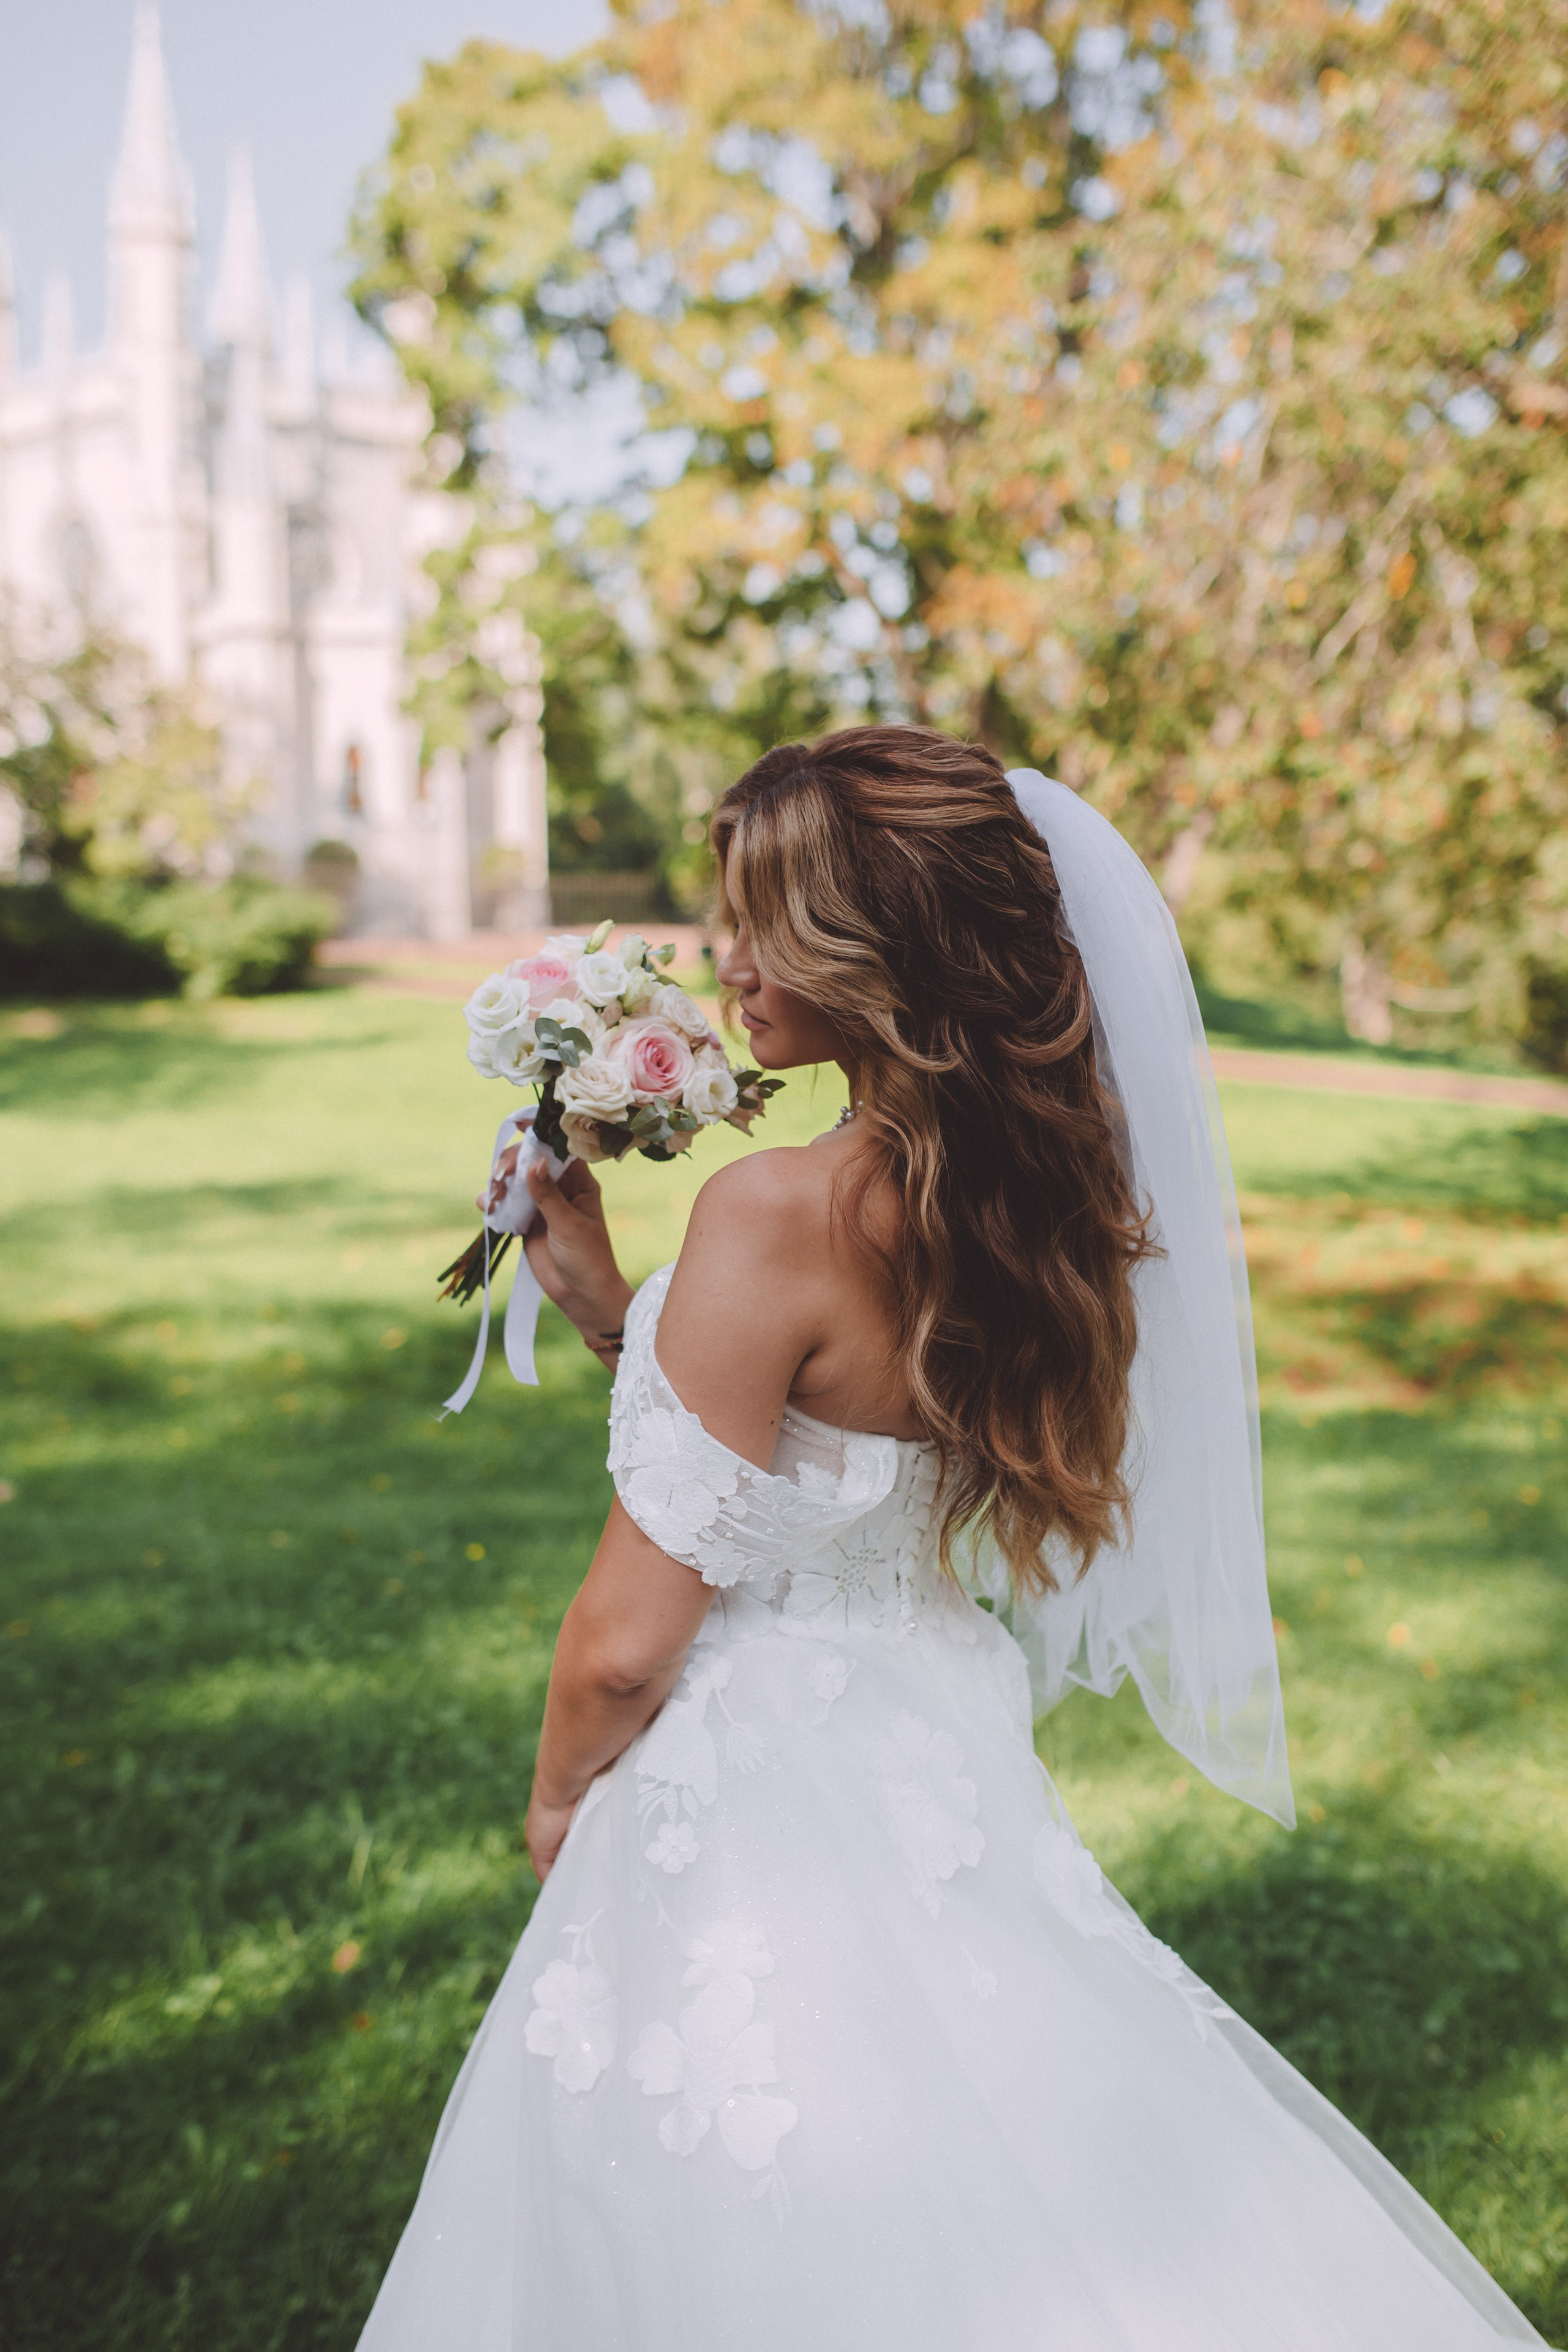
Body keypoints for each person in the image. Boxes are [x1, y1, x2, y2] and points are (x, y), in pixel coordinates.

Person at [356, 727, 1549, 2351]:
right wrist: (617, 1316)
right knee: (999, 2119)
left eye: (771, 919)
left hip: (757, 1774)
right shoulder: (1017, 1199)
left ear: (883, 951)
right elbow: (837, 1442)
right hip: (930, 1731)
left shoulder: (775, 1212)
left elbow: (632, 1636)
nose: (729, 959)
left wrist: (563, 1797)